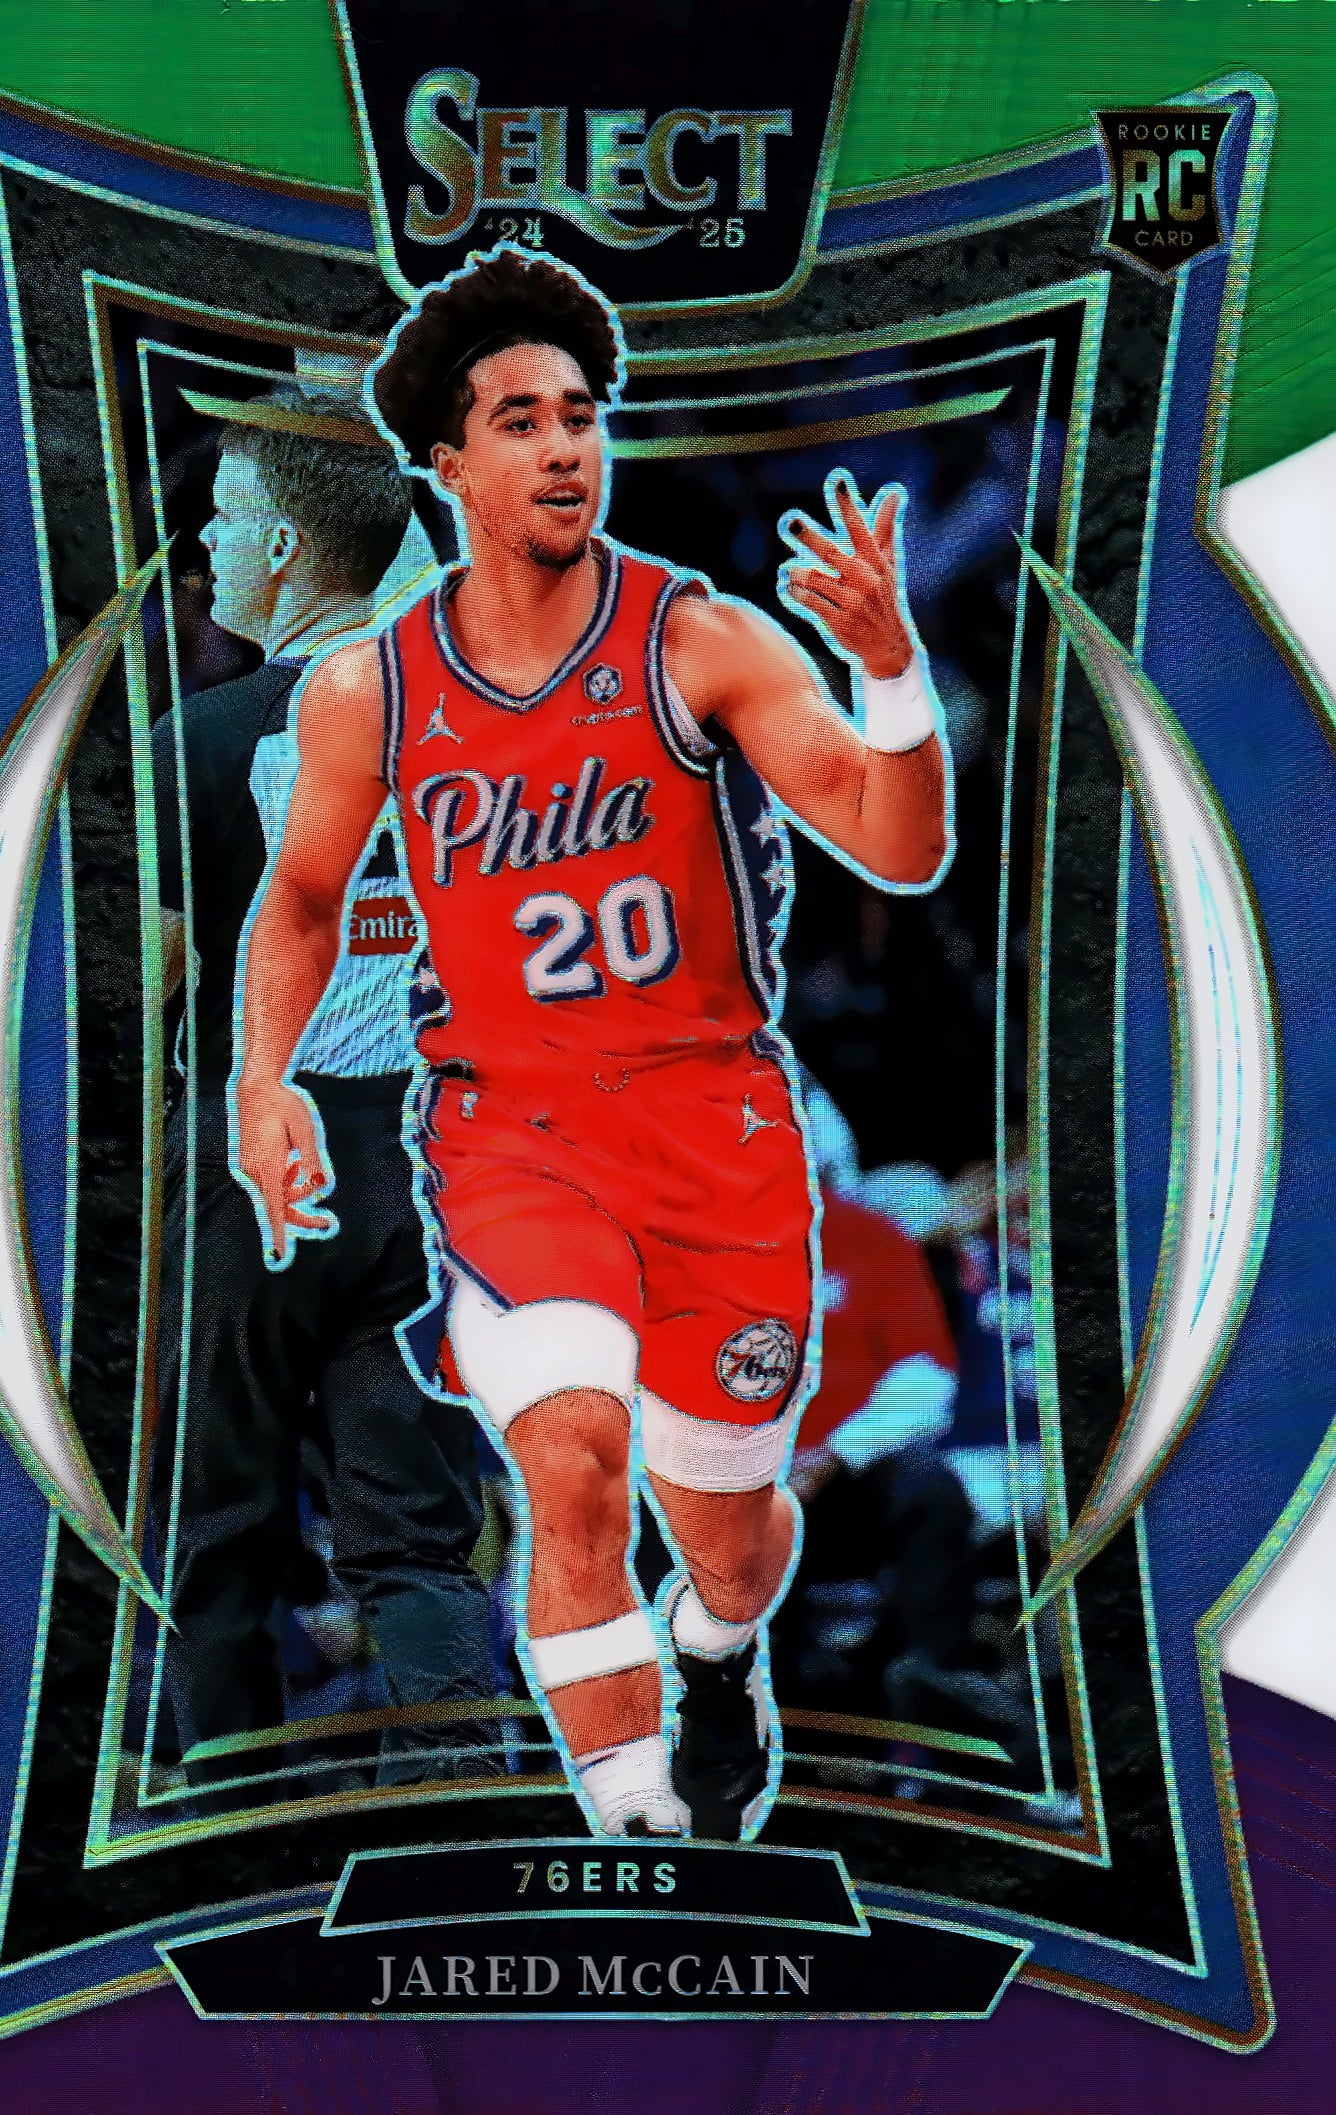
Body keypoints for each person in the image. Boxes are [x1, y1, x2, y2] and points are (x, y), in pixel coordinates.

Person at [232, 250, 952, 1839]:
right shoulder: (370, 690)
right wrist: (262, 1077)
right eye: (522, 421)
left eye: (581, 416)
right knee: (569, 1460)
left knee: (733, 1547)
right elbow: (302, 900)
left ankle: (715, 1654)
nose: (565, 447)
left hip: (716, 1133)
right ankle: (637, 1812)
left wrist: (892, 672)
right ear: (448, 463)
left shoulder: (703, 643)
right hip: (511, 1132)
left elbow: (897, 844)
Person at [151, 379, 498, 1788]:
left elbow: (143, 987)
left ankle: (230, 1835)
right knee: (416, 1540)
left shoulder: (209, 739)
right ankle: (463, 1812)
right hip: (433, 1157)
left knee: (216, 1536)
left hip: (255, 1159)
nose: (204, 547)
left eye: (228, 519)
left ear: (289, 548)